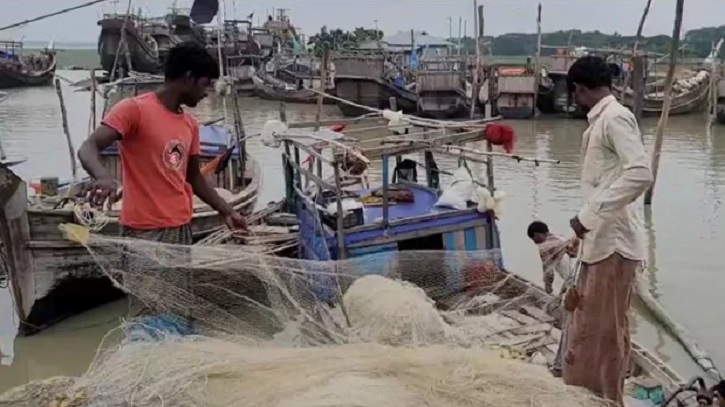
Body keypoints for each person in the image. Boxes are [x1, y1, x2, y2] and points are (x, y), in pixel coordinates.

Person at [78, 42, 247, 315]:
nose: (206, 93)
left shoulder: (189, 124)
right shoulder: (134, 110)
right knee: (147, 310)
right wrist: (103, 176)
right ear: (188, 78)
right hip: (145, 232)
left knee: (176, 307)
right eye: (205, 84)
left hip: (180, 228)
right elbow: (88, 147)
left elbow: (193, 178)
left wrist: (228, 211)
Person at [564, 55, 653, 406]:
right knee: (590, 327)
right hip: (598, 242)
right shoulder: (600, 122)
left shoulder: (615, 118)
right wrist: (580, 231)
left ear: (580, 89)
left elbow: (640, 173)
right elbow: (606, 183)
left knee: (606, 333)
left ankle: (609, 400)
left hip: (614, 246)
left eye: (574, 92)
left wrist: (588, 215)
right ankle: (590, 395)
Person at [527, 220, 578, 378]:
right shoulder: (560, 239)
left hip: (574, 284)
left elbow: (548, 270)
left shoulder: (544, 247)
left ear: (538, 235)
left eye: (533, 238)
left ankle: (559, 366)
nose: (534, 242)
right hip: (580, 278)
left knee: (568, 323)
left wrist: (548, 287)